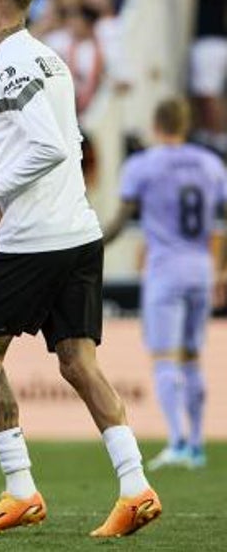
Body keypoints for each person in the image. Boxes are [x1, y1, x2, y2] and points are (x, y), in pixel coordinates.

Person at [0, 0, 162, 537]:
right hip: (79, 231)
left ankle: (20, 490)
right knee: (77, 361)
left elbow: (51, 150)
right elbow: (66, 137)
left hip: (32, 240)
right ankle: (135, 487)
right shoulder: (49, 59)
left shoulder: (11, 63)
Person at [102, 98, 227, 470]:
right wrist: (222, 267)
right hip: (201, 268)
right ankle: (198, 444)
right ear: (185, 125)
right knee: (191, 358)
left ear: (157, 124)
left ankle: (177, 442)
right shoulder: (211, 164)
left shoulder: (142, 165)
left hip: (165, 268)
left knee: (164, 359)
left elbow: (123, 219)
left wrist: (91, 245)